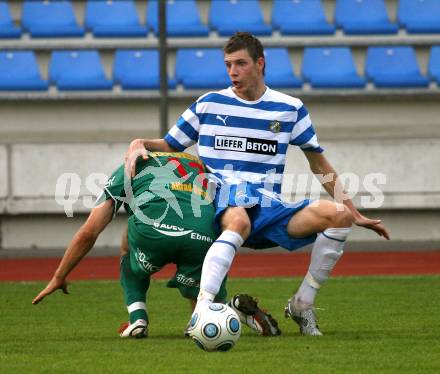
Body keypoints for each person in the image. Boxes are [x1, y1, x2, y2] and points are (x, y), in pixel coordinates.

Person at [125, 32, 390, 336]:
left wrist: (353, 211)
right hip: (220, 200)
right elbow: (171, 144)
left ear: (260, 64)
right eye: (228, 65)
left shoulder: (290, 108)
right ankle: (202, 312)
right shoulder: (208, 104)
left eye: (240, 63)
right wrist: (139, 142)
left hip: (267, 206)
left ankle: (302, 305)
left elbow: (319, 164)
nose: (232, 71)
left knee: (338, 217)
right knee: (237, 217)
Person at [32, 151, 281, 338]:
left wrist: (59, 275)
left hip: (152, 234)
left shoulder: (130, 165)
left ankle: (137, 319)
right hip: (201, 237)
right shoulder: (199, 165)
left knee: (126, 241)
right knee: (210, 267)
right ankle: (207, 318)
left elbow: (90, 231)